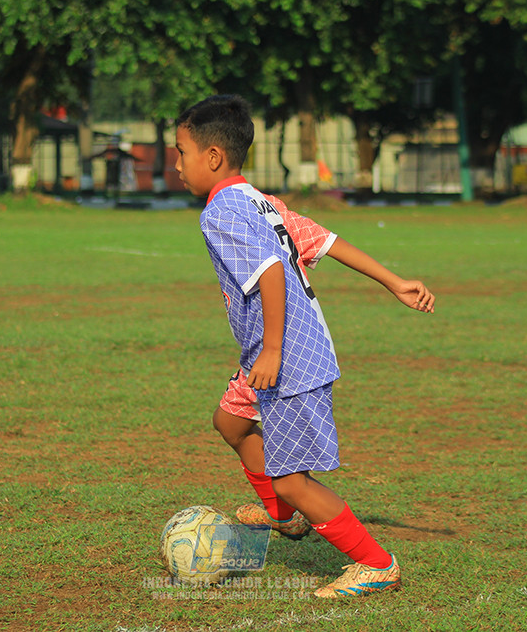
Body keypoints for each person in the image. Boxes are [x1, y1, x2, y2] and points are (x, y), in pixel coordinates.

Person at [175, 94, 435, 598]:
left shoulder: (221, 213)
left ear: (212, 156)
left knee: (293, 478)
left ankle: (376, 564)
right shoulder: (260, 200)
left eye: (181, 152)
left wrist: (271, 350)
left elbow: (270, 271)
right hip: (275, 352)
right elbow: (326, 241)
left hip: (287, 357)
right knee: (231, 420)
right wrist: (394, 281)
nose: (177, 164)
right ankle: (284, 517)